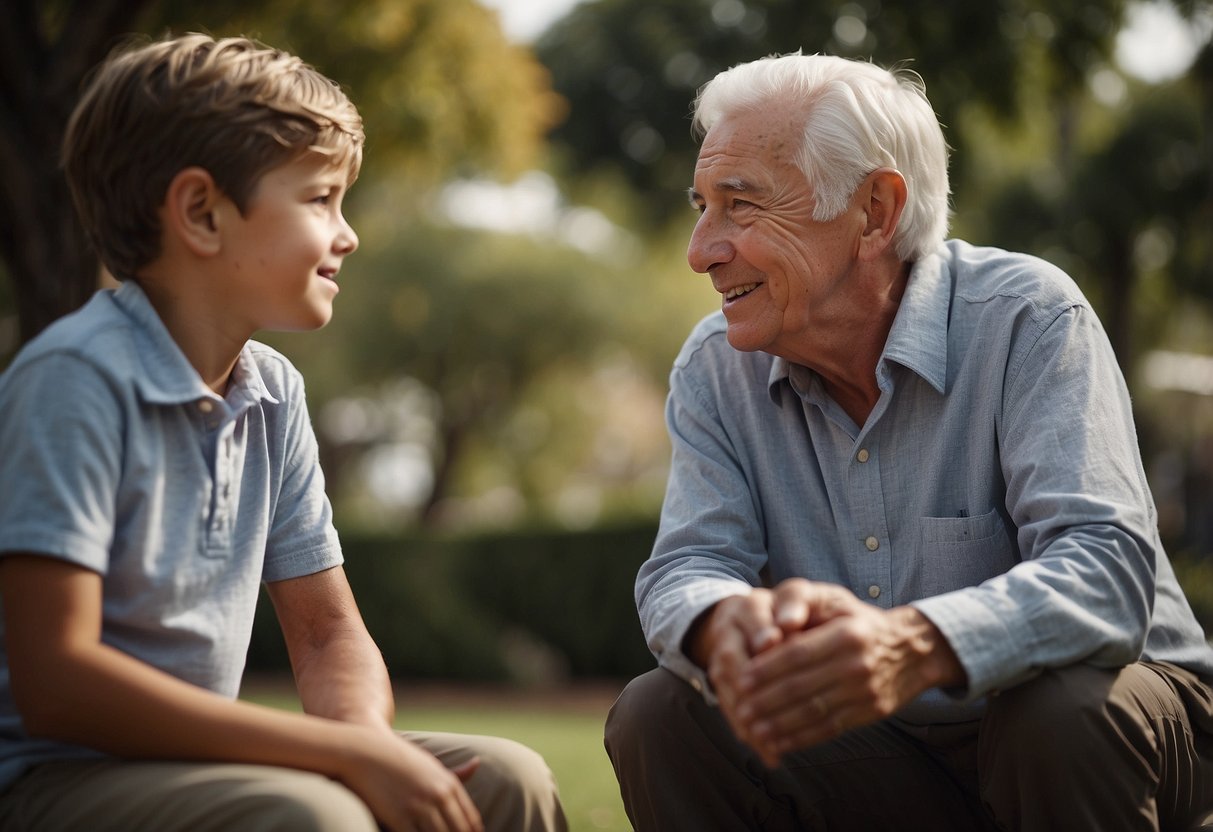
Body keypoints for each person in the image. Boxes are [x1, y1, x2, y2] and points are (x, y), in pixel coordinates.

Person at [604, 52, 1213, 831]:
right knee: (661, 713)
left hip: (1113, 730)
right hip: (888, 751)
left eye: (740, 205)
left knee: (1055, 705)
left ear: (875, 212)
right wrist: (722, 622)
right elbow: (689, 564)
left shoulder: (1027, 316)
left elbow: (1105, 571)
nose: (700, 250)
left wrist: (915, 643)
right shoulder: (713, 366)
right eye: (701, 205)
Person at [0, 33, 566, 832]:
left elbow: (329, 633)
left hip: (198, 767)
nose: (348, 233)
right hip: (53, 781)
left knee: (508, 778)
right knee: (315, 815)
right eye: (318, 199)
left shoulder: (272, 391)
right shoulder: (72, 380)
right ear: (202, 213)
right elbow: (58, 682)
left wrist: (364, 745)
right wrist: (338, 762)